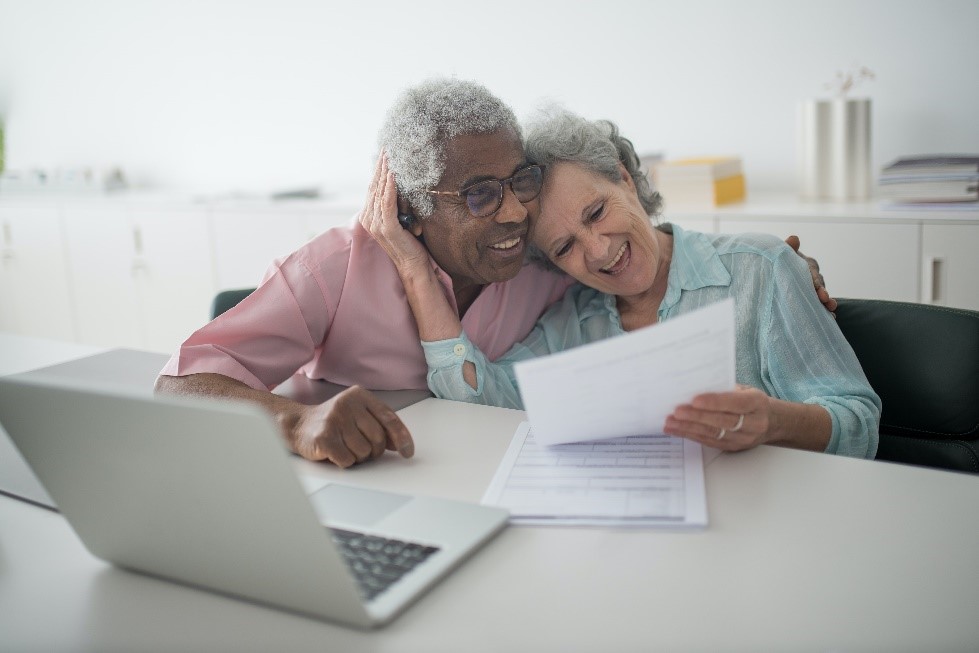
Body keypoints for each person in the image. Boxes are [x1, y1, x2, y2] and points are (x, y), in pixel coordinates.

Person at [156, 78, 835, 467]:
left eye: (520, 181)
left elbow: (644, 259)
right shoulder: (336, 267)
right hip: (346, 490)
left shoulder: (547, 267)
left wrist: (780, 263)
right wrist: (293, 422)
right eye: (480, 193)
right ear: (413, 210)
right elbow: (178, 385)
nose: (514, 211)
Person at [362, 109, 880, 458]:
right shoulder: (574, 321)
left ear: (625, 179)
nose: (600, 250)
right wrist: (415, 270)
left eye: (596, 212)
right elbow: (477, 403)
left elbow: (859, 422)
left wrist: (773, 421)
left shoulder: (760, 269)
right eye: (564, 248)